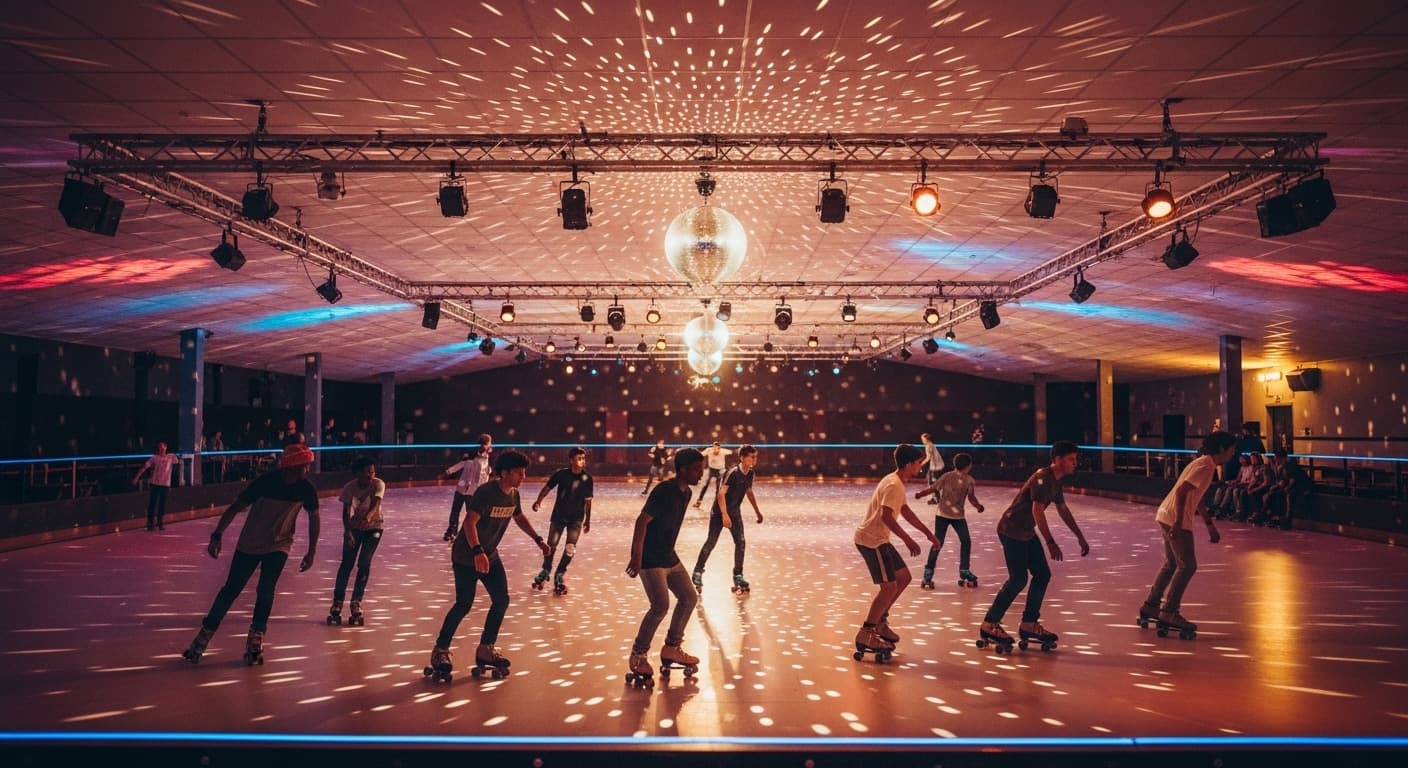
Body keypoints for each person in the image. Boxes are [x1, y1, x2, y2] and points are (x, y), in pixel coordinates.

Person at [180, 443, 319, 664]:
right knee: (231, 590)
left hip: (279, 545)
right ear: (293, 466)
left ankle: (256, 637)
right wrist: (217, 535)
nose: (308, 471)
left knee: (266, 590)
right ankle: (204, 636)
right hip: (250, 544)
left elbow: (314, 518)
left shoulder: (306, 489)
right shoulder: (265, 483)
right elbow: (235, 507)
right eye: (305, 466)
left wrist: (312, 550)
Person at [426, 449, 549, 682]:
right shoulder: (486, 492)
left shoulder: (514, 495)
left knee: (502, 600)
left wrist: (538, 540)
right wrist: (477, 551)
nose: (523, 476)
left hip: (489, 555)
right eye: (518, 472)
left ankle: (485, 649)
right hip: (466, 556)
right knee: (463, 604)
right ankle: (440, 651)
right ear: (503, 473)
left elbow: (519, 517)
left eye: (524, 472)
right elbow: (469, 522)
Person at [979, 440, 1090, 651]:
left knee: (1042, 574)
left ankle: (1029, 623)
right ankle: (989, 623)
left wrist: (1080, 536)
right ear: (1057, 460)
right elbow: (1037, 511)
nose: (1075, 463)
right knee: (1019, 579)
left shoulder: (1056, 481)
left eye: (1076, 459)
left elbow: (1063, 510)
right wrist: (1050, 542)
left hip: (1027, 533)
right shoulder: (1043, 478)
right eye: (1071, 459)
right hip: (1011, 530)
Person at [1139, 431, 1235, 636]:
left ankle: (1151, 605)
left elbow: (1195, 494)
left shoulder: (1204, 464)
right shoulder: (1204, 466)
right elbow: (1182, 491)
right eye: (1232, 449)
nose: (1233, 453)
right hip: (1175, 518)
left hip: (1166, 514)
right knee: (1187, 565)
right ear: (1221, 449)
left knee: (1172, 564)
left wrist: (1209, 524)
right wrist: (1178, 522)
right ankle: (1169, 611)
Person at [625, 448, 707, 685]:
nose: (700, 474)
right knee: (660, 606)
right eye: (696, 469)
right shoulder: (664, 491)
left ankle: (672, 648)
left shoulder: (687, 493)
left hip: (668, 555)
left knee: (689, 597)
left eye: (701, 469)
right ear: (682, 469)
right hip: (650, 558)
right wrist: (636, 556)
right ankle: (638, 655)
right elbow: (642, 522)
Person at [852, 444, 942, 660]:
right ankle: (866, 632)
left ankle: (880, 621)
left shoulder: (895, 481)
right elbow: (886, 516)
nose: (920, 466)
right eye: (919, 463)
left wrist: (928, 534)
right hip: (872, 541)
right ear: (909, 464)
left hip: (878, 539)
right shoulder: (894, 485)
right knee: (888, 587)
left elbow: (905, 511)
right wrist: (908, 540)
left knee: (904, 577)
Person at [691, 444, 763, 593]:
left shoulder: (750, 473)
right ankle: (697, 572)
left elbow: (748, 491)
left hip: (735, 512)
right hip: (719, 512)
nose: (755, 459)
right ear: (742, 458)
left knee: (741, 542)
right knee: (711, 542)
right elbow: (721, 494)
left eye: (756, 456)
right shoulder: (733, 473)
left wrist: (757, 512)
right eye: (752, 456)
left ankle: (738, 575)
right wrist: (724, 514)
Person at [326, 458, 385, 627]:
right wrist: (348, 531)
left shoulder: (378, 484)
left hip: (374, 527)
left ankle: (356, 601)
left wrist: (367, 518)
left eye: (372, 471)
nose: (371, 475)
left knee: (364, 563)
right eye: (367, 471)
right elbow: (345, 512)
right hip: (354, 528)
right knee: (347, 564)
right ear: (358, 473)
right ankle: (337, 601)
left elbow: (376, 504)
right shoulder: (349, 488)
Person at [914, 452, 985, 588]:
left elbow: (933, 488)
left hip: (942, 515)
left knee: (937, 543)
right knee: (965, 541)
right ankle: (964, 570)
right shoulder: (969, 480)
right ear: (969, 466)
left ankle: (928, 573)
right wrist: (978, 506)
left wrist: (921, 494)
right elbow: (971, 497)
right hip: (957, 516)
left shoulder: (947, 476)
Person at [531, 447, 594, 595]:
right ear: (571, 459)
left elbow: (588, 501)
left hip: (576, 519)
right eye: (579, 458)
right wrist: (538, 501)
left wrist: (588, 521)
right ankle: (546, 569)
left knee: (570, 548)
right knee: (551, 545)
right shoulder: (561, 474)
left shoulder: (587, 479)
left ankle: (560, 574)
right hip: (559, 517)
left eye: (583, 459)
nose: (582, 461)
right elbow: (547, 488)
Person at [442, 434, 492, 541]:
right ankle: (452, 531)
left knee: (470, 513)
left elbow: (484, 475)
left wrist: (483, 488)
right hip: (464, 489)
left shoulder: (485, 458)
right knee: (457, 511)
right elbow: (462, 465)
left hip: (472, 491)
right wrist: (448, 471)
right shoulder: (472, 456)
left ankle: (467, 533)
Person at [133, 442, 180, 530]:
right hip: (155, 483)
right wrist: (136, 478)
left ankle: (160, 522)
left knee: (162, 504)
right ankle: (150, 523)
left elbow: (177, 462)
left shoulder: (171, 457)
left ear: (166, 448)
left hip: (165, 484)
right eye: (159, 448)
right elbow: (144, 467)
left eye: (163, 448)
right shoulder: (154, 458)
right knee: (152, 504)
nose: (161, 450)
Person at [693, 442, 732, 509]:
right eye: (714, 448)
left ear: (719, 448)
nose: (715, 450)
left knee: (718, 487)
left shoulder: (723, 451)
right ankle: (699, 501)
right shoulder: (709, 450)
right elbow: (701, 454)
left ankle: (717, 504)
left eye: (717, 449)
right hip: (712, 470)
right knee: (705, 485)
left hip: (720, 470)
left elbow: (730, 452)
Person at [919, 433, 946, 503]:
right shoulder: (930, 445)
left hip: (936, 467)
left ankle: (937, 499)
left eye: (922, 439)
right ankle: (935, 498)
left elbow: (928, 458)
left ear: (926, 439)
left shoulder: (928, 446)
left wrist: (921, 464)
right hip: (934, 466)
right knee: (931, 481)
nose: (922, 441)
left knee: (933, 483)